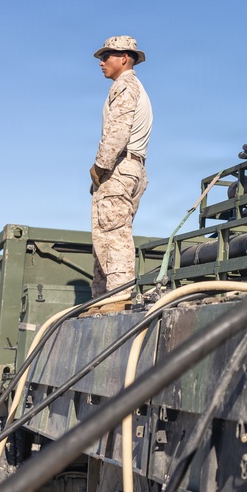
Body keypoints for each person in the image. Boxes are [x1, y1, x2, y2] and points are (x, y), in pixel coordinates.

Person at [89, 35, 153, 298]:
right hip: (132, 168)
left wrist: (99, 166)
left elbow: (118, 132)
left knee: (113, 236)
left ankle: (117, 298)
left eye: (106, 56)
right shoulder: (133, 87)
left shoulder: (125, 86)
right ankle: (103, 299)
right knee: (106, 237)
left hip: (119, 167)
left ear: (124, 58)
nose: (101, 62)